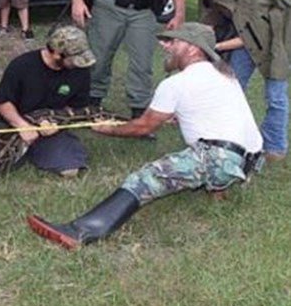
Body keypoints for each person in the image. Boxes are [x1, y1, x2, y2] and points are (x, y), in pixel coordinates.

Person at [28, 22, 263, 250]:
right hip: (250, 159)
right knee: (208, 159)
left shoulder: (176, 83)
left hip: (218, 158)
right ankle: (218, 195)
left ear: (193, 48)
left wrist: (107, 129)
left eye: (173, 42)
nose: (165, 45)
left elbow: (143, 128)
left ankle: (81, 232)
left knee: (144, 179)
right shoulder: (224, 74)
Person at [186, 0, 291, 162]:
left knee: (275, 97)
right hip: (248, 39)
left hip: (278, 42)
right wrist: (194, 40)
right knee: (231, 88)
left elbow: (251, 36)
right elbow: (209, 23)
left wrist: (213, 46)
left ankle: (274, 146)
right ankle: (230, 137)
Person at [0, 26, 96, 177]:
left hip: (49, 127)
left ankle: (36, 151)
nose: (77, 64)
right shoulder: (22, 65)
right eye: (73, 59)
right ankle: (4, 144)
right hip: (12, 124)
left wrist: (57, 125)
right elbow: (2, 102)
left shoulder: (80, 71)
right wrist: (22, 126)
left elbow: (76, 107)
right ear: (57, 54)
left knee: (70, 169)